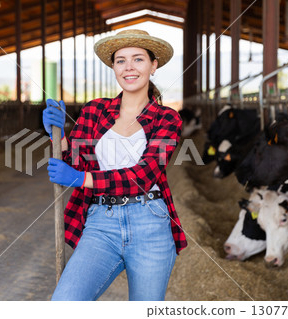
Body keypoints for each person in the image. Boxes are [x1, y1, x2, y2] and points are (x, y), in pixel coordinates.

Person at [43, 29, 187, 301]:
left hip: (150, 223)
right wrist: (58, 135)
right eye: (120, 60)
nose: (128, 67)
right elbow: (74, 160)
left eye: (138, 59)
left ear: (153, 65)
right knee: (65, 302)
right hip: (101, 222)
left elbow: (144, 176)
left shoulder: (167, 118)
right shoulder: (94, 110)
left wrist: (82, 179)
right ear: (113, 67)